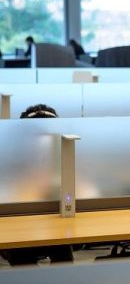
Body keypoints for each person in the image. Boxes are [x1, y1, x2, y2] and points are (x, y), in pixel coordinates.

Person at [0, 104, 74, 266]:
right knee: (24, 256)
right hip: (18, 230)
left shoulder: (66, 156)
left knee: (62, 255)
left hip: (58, 227)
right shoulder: (8, 164)